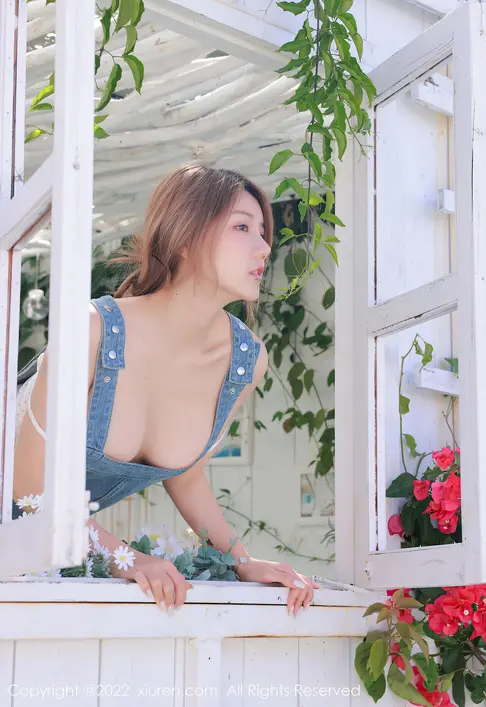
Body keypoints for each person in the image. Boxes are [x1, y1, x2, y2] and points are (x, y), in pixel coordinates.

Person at [12, 163, 317, 616]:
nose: (264, 246)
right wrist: (127, 558)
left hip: (32, 557)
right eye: (242, 227)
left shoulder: (244, 361)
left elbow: (184, 472)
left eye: (262, 231)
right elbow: (28, 487)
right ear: (183, 237)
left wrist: (240, 560)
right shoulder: (91, 332)